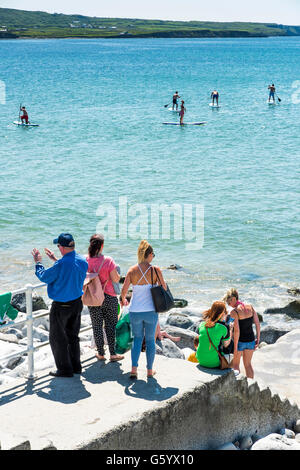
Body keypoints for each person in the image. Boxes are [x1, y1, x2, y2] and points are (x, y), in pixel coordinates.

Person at [32, 233, 88, 378]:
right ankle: (76, 366)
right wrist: (56, 260)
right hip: (76, 303)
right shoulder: (82, 260)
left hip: (61, 306)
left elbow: (44, 276)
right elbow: (70, 269)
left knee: (57, 338)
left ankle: (64, 369)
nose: (58, 248)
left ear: (62, 247)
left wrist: (38, 262)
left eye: (58, 246)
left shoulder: (61, 264)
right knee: (73, 336)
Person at [120, 240, 167, 379]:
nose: (153, 257)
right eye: (153, 254)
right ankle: (149, 371)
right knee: (151, 341)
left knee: (137, 340)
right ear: (150, 254)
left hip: (135, 311)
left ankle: (134, 370)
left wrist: (123, 300)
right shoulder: (155, 270)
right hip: (151, 311)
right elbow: (163, 288)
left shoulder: (132, 270)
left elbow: (123, 290)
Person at [86, 234, 124, 362]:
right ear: (102, 246)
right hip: (109, 297)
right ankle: (113, 354)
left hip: (94, 297)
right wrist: (118, 272)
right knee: (111, 325)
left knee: (97, 326)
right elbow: (115, 279)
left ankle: (101, 353)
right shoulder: (108, 260)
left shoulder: (86, 260)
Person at [223, 288, 260, 379]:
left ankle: (238, 387)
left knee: (235, 365)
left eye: (228, 301)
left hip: (240, 341)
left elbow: (237, 331)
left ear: (234, 299)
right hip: (251, 340)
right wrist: (258, 339)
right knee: (248, 365)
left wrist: (235, 346)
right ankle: (251, 384)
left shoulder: (234, 312)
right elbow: (257, 323)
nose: (228, 304)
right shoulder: (250, 306)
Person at [196, 301, 233, 368]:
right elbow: (226, 345)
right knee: (232, 347)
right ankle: (232, 371)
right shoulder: (223, 327)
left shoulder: (202, 324)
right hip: (214, 362)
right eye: (226, 312)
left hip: (200, 359)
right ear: (222, 313)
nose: (227, 314)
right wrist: (231, 330)